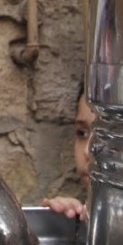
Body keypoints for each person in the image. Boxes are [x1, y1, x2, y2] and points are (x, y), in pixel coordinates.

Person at [41, 86, 94, 221]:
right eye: (82, 133)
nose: (88, 152)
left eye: (107, 136)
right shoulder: (80, 213)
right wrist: (66, 226)